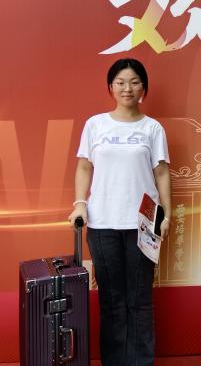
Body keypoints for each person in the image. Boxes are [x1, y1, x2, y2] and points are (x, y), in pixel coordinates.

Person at [68, 58, 171, 366]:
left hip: (145, 220)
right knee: (112, 299)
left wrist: (167, 214)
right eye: (121, 82)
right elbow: (84, 167)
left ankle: (141, 361)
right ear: (111, 87)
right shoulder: (95, 125)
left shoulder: (152, 128)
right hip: (103, 221)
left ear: (144, 89)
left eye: (135, 82)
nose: (128, 88)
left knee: (140, 298)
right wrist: (79, 203)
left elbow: (162, 172)